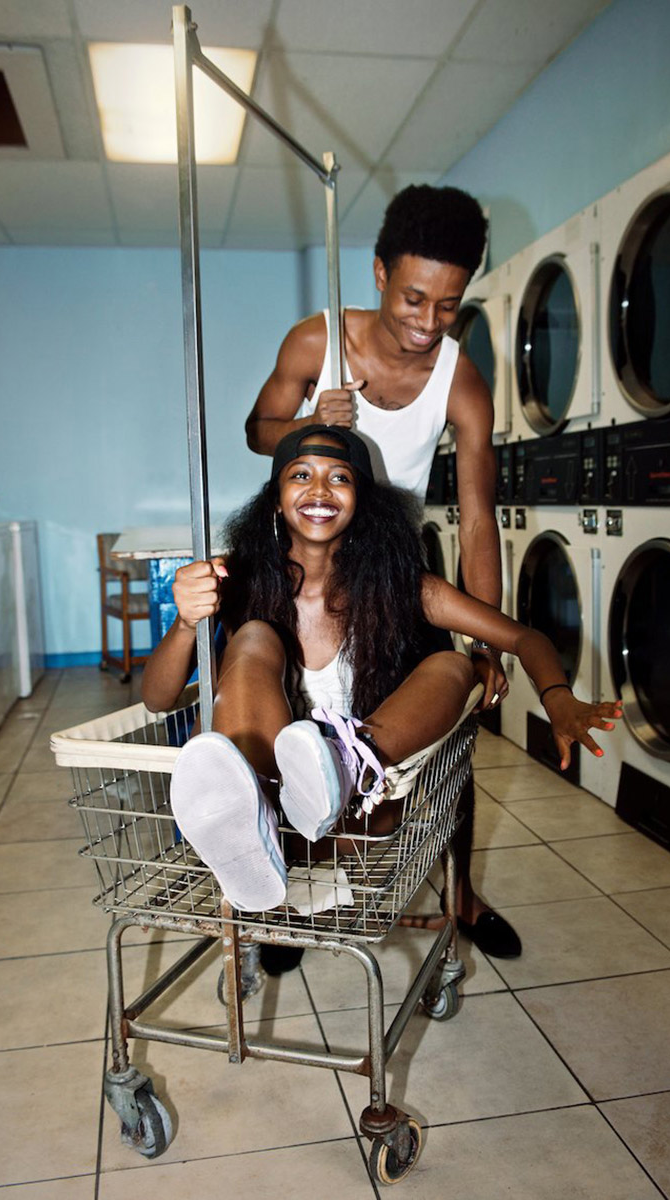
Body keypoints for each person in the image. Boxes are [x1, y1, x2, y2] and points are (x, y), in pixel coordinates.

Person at [143, 426, 619, 913]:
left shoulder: (403, 586)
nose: (320, 490)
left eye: (340, 478)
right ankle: (255, 824)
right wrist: (185, 622)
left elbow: (522, 637)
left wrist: (557, 696)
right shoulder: (236, 581)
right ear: (276, 500)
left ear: (363, 503)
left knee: (453, 664)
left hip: (357, 811)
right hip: (268, 801)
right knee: (252, 638)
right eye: (301, 475)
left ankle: (343, 765)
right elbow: (157, 698)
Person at [243, 183, 522, 957]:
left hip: (398, 567)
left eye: (448, 304)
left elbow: (477, 516)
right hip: (311, 560)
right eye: (413, 298)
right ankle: (295, 881)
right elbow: (254, 432)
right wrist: (308, 421)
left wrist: (487, 643)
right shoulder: (315, 343)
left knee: (441, 737)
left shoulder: (461, 379)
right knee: (294, 726)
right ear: (377, 273)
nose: (428, 322)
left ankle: (462, 895)